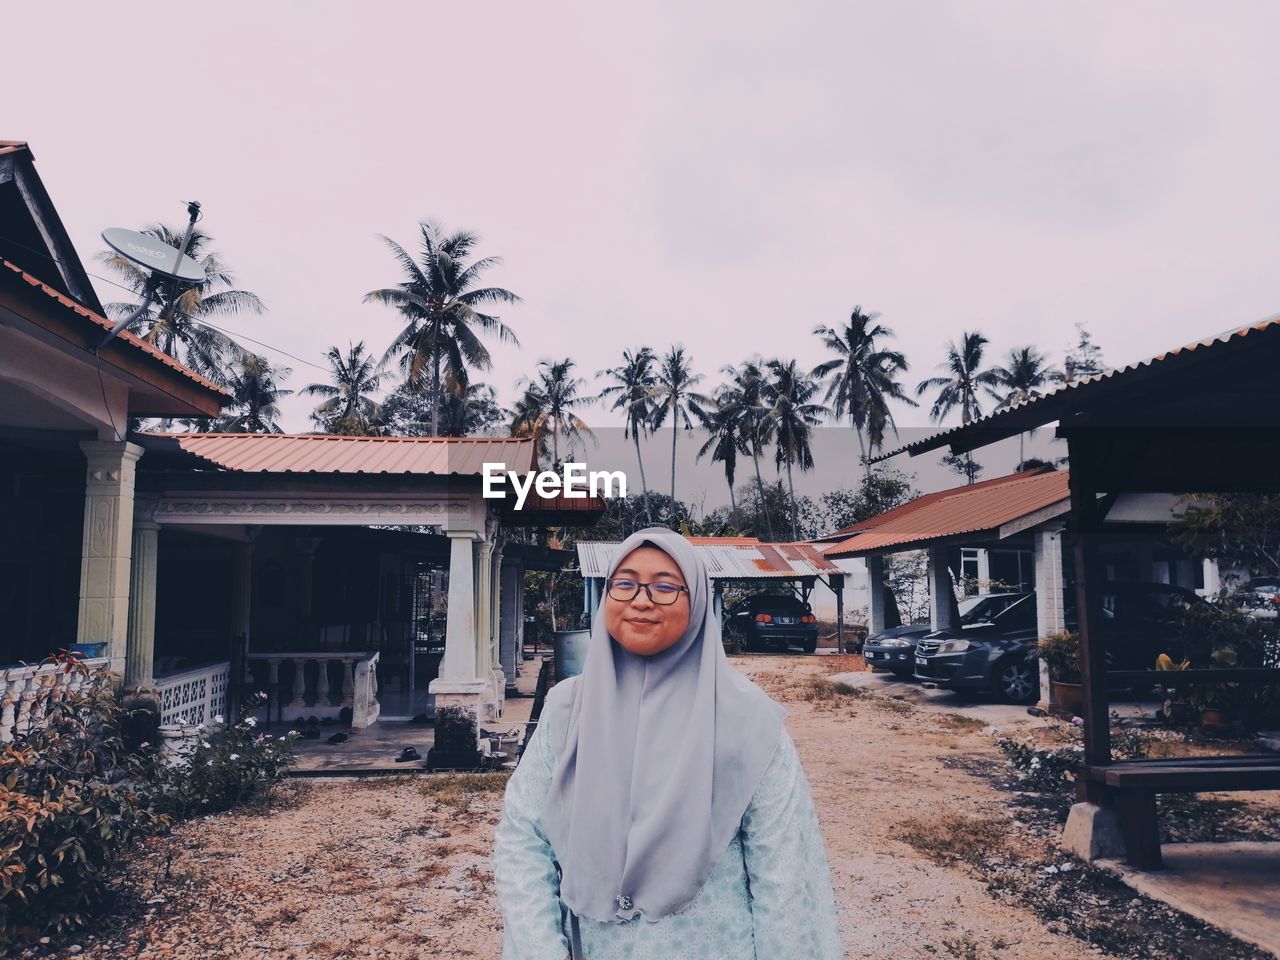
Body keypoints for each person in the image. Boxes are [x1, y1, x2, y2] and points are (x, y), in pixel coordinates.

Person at [494, 527, 841, 960]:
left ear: (695, 602)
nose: (641, 600)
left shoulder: (746, 718)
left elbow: (786, 874)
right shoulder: (569, 708)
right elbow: (524, 836)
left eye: (664, 586)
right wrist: (541, 949)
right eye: (625, 584)